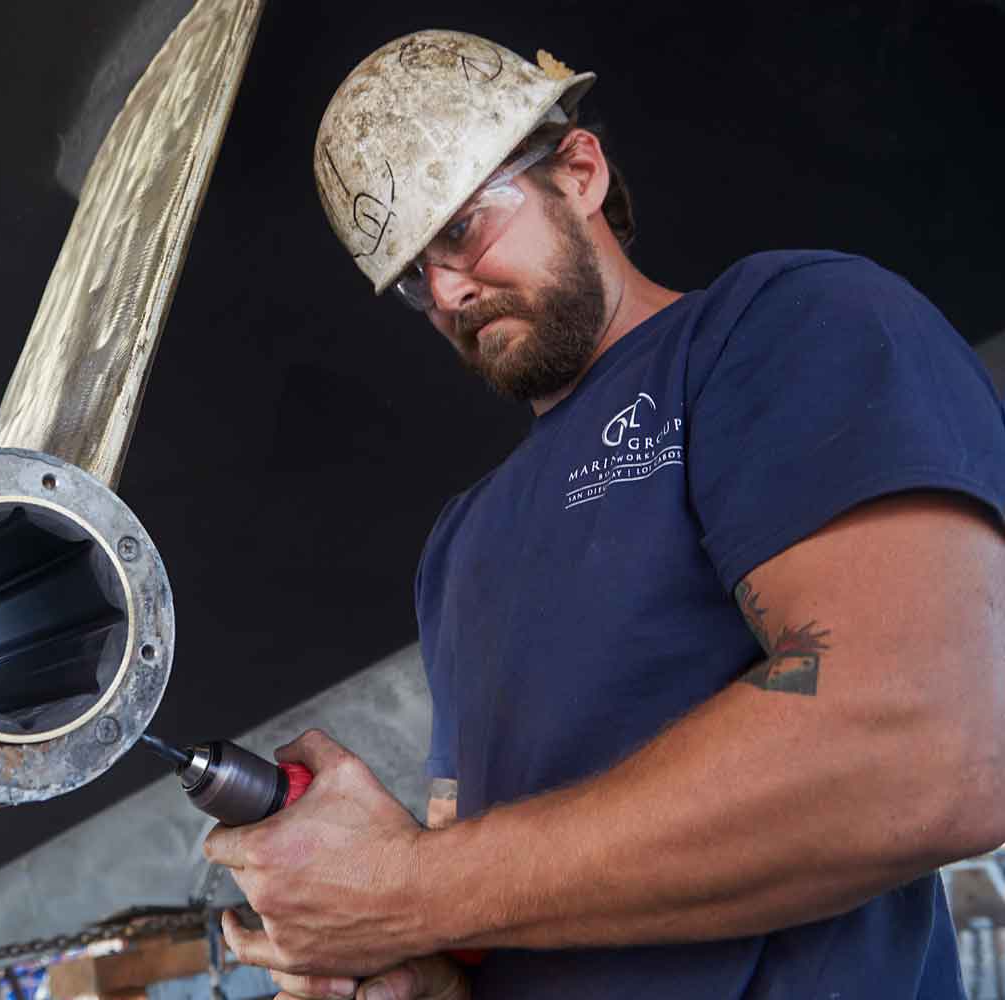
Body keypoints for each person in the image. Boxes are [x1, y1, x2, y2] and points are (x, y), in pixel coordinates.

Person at [202, 28, 1005, 1000]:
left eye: (462, 228)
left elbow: (936, 745)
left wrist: (407, 889)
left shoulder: (784, 326)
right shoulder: (460, 545)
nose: (448, 289)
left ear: (578, 170)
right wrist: (414, 966)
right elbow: (479, 896)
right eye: (414, 276)